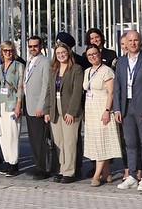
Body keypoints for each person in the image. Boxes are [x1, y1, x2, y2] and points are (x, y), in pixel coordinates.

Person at [114, 30, 142, 192]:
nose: (133, 43)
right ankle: (131, 175)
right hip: (126, 107)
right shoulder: (121, 62)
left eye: (136, 40)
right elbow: (117, 87)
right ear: (126, 42)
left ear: (140, 42)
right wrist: (117, 108)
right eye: (129, 41)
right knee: (130, 143)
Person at [44, 40, 83, 183]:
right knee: (59, 142)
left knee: (70, 141)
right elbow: (49, 91)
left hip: (69, 110)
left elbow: (77, 92)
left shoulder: (76, 69)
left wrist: (72, 111)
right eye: (58, 53)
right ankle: (62, 169)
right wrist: (47, 110)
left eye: (63, 52)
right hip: (55, 108)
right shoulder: (53, 69)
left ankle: (69, 171)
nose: (61, 55)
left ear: (69, 53)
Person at [82, 44, 121, 186]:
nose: (92, 57)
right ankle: (107, 173)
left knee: (101, 142)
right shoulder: (87, 71)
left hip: (102, 108)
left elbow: (111, 93)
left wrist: (107, 110)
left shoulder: (107, 71)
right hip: (90, 109)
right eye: (89, 55)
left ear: (99, 54)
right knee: (95, 141)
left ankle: (96, 175)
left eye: (95, 54)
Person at [23, 36, 51, 180]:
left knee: (41, 140)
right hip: (29, 106)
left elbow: (46, 86)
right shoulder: (29, 61)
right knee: (34, 139)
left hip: (38, 108)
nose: (32, 49)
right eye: (30, 46)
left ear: (41, 47)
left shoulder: (45, 62)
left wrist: (42, 106)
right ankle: (38, 165)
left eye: (35, 46)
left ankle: (44, 169)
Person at [0, 40, 24, 177]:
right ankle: (7, 161)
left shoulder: (18, 66)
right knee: (3, 135)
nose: (8, 53)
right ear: (1, 52)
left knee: (13, 134)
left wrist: (19, 105)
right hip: (1, 103)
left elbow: (20, 86)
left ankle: (14, 163)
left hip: (12, 104)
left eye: (10, 50)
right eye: (5, 50)